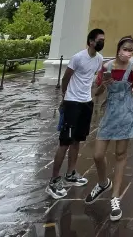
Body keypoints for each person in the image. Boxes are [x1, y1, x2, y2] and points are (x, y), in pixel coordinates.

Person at [84, 36, 133, 221]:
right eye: (125, 49)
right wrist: (103, 85)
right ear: (118, 48)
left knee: (120, 155)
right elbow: (97, 91)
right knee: (98, 155)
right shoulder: (106, 67)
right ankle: (103, 183)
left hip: (126, 114)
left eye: (131, 50)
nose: (128, 52)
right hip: (109, 113)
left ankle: (115, 197)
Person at [45, 28, 105, 200]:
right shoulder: (78, 57)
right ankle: (53, 180)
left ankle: (70, 173)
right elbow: (66, 78)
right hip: (72, 102)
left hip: (86, 102)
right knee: (64, 142)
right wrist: (65, 97)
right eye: (100, 39)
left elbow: (94, 80)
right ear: (91, 41)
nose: (102, 42)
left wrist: (98, 90)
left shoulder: (99, 59)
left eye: (103, 39)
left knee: (77, 140)